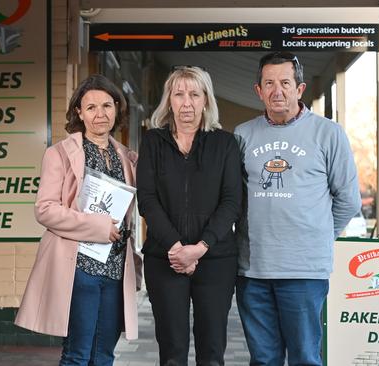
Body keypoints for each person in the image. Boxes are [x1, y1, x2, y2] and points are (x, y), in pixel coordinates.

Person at [233, 52, 361, 366]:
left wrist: (317, 236)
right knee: (263, 359)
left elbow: (349, 200)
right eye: (269, 83)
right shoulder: (242, 135)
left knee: (304, 357)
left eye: (285, 83)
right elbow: (232, 199)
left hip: (304, 272)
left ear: (300, 89)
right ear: (258, 90)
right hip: (253, 270)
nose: (278, 91)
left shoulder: (329, 134)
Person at [15, 74, 138, 366]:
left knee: (104, 355)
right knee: (77, 355)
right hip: (79, 268)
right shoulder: (59, 153)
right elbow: (44, 209)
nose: (100, 114)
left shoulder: (126, 157)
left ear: (117, 110)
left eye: (107, 106)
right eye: (91, 107)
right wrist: (98, 227)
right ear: (79, 113)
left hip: (114, 270)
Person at [137, 66, 242, 366]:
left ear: (206, 100)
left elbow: (231, 201)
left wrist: (200, 247)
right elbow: (147, 199)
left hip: (216, 259)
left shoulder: (225, 144)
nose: (187, 102)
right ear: (168, 100)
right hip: (164, 259)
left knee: (211, 352)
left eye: (194, 94)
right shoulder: (153, 142)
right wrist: (175, 247)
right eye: (179, 94)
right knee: (172, 352)